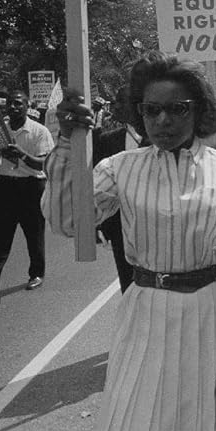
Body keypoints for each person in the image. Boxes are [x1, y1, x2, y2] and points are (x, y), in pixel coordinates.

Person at [45, 53, 216, 431]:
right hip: (146, 310)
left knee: (210, 428)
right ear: (139, 113)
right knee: (137, 424)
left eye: (177, 109)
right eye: (152, 110)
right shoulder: (119, 168)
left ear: (198, 111)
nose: (163, 120)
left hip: (211, 313)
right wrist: (65, 143)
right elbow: (68, 222)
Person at [0, 91, 55, 309]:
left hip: (31, 188)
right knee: (0, 239)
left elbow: (44, 164)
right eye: (10, 104)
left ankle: (36, 273)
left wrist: (21, 155)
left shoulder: (39, 131)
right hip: (6, 187)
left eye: (19, 104)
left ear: (28, 106)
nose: (14, 107)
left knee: (33, 234)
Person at [91, 94, 145, 292]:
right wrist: (99, 223)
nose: (114, 106)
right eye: (113, 102)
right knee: (129, 285)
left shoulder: (162, 139)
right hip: (120, 226)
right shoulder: (107, 140)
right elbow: (96, 187)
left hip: (155, 222)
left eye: (120, 101)